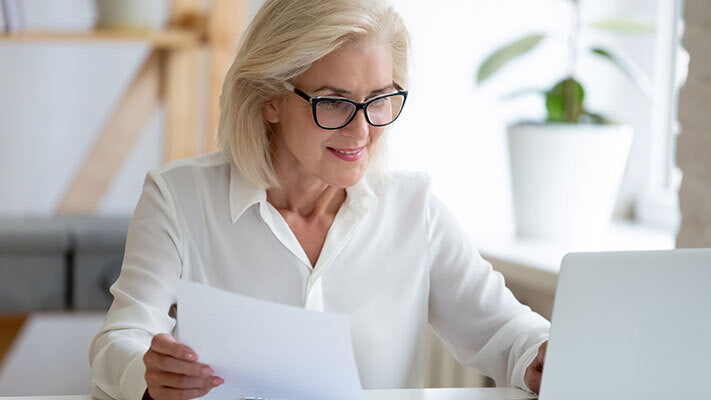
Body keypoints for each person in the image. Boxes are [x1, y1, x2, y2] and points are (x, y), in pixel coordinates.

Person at [88, 0, 550, 399]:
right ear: (270, 99)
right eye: (333, 101)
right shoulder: (179, 198)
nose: (362, 130)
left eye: (379, 98)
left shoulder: (414, 206)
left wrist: (540, 356)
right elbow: (123, 336)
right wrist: (149, 375)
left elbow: (504, 331)